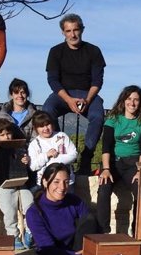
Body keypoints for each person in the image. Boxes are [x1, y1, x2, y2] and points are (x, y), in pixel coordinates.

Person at [42, 13, 106, 174]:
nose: (73, 34)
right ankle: (60, 151)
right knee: (47, 111)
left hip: (87, 94)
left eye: (76, 30)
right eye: (68, 31)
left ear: (82, 30)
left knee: (98, 116)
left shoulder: (93, 51)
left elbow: (97, 81)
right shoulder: (55, 51)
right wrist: (69, 100)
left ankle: (87, 157)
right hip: (63, 95)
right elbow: (53, 80)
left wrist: (88, 99)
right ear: (63, 32)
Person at [21, 163, 97, 255]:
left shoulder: (75, 202)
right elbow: (48, 248)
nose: (62, 187)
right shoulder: (34, 212)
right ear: (45, 182)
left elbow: (90, 228)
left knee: (90, 219)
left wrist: (88, 254)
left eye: (66, 182)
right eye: (56, 182)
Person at [97, 86, 141, 234]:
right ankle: (103, 231)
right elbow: (106, 146)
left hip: (133, 163)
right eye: (129, 99)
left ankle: (137, 232)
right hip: (113, 162)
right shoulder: (113, 119)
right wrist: (106, 169)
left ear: (140, 103)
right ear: (123, 100)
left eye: (136, 100)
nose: (132, 103)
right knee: (103, 188)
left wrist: (140, 170)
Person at [0, 118, 33, 250]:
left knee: (30, 204)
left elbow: (25, 160)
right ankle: (13, 236)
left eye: (8, 133)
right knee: (9, 210)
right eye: (2, 135)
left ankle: (30, 232)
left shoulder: (20, 146)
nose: (6, 137)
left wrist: (27, 159)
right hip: (4, 184)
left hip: (21, 182)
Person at [28, 111, 78, 186]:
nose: (46, 128)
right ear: (36, 128)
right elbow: (33, 166)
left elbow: (74, 154)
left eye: (48, 124)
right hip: (45, 184)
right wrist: (46, 155)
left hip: (67, 182)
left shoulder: (62, 136)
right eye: (41, 126)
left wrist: (55, 160)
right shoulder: (34, 144)